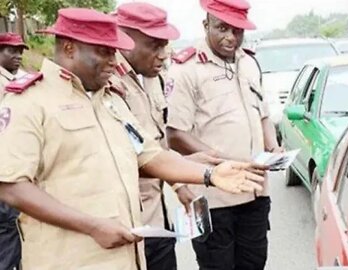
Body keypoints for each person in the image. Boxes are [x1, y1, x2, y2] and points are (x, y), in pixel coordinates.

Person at [0, 8, 265, 270]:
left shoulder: (111, 99)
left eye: (114, 51)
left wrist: (210, 173)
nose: (114, 61)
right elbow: (11, 186)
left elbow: (149, 154)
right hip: (69, 260)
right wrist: (92, 226)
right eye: (104, 51)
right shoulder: (29, 102)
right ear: (69, 48)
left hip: (126, 256)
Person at [166, 0, 281, 269]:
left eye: (238, 30)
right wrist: (224, 163)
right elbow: (175, 135)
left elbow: (262, 115)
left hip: (255, 192)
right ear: (206, 25)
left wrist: (273, 148)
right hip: (211, 196)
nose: (231, 37)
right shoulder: (185, 69)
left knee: (254, 263)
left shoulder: (250, 62)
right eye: (222, 28)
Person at [113, 3, 220, 269]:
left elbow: (158, 142)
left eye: (165, 45)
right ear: (124, 38)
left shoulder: (153, 77)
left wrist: (179, 187)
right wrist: (193, 169)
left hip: (157, 219)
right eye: (154, 45)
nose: (163, 55)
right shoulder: (107, 83)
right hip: (125, 226)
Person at [0, 31, 28, 270]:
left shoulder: (14, 79)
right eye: (12, 50)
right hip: (5, 170)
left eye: (20, 51)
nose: (18, 55)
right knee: (8, 230)